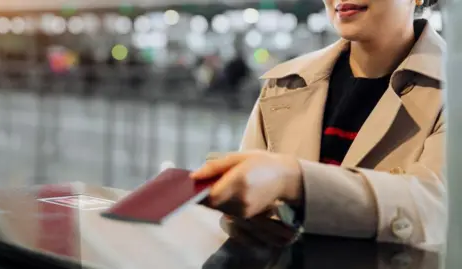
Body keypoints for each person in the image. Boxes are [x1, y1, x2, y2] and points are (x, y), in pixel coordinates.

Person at [191, 0, 446, 249]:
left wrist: (294, 181)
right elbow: (243, 223)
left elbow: (437, 208)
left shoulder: (450, 91)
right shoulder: (286, 83)